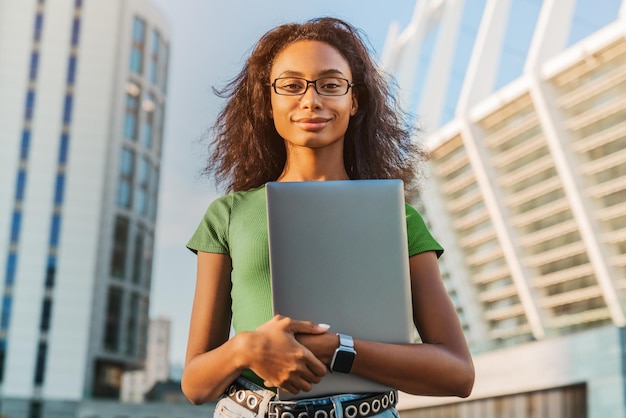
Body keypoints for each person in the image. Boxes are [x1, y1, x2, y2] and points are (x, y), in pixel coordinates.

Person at [183, 17, 474, 418]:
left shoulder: (397, 218)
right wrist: (247, 348)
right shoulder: (228, 216)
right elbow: (196, 384)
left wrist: (341, 350)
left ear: (354, 101)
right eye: (291, 85)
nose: (311, 100)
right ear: (268, 102)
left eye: (331, 85)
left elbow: (458, 374)